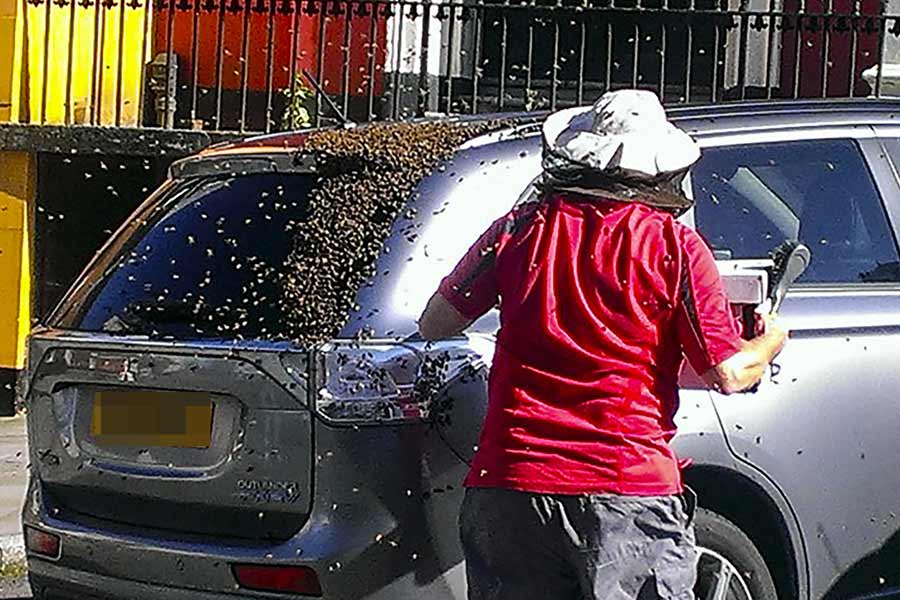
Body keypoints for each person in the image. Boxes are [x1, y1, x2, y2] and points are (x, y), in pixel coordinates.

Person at [417, 90, 787, 600]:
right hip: (624, 486)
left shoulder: (516, 230)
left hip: (510, 487)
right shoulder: (675, 246)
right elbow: (728, 373)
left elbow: (434, 323)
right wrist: (769, 342)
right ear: (661, 170)